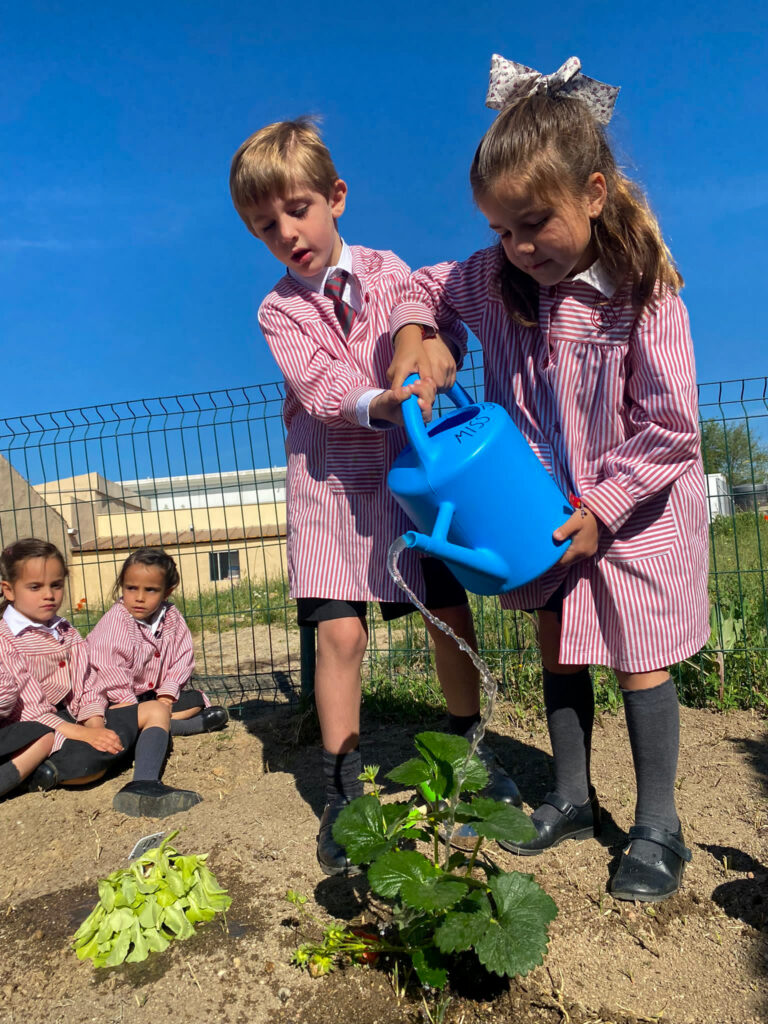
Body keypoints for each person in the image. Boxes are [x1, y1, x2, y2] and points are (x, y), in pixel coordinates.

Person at [388, 56, 709, 902]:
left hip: (633, 512)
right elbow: (422, 287)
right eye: (500, 230)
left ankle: (658, 824)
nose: (517, 247)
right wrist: (422, 331)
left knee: (639, 656)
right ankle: (570, 796)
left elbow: (672, 425)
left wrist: (604, 506)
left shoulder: (644, 293)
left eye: (533, 223)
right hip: (538, 506)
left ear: (594, 193)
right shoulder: (497, 282)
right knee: (558, 641)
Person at [229, 117, 520, 875]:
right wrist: (382, 400)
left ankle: (466, 748)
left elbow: (429, 320)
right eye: (266, 226)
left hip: (418, 484)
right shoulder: (279, 311)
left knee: (446, 610)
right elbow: (323, 388)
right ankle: (341, 787)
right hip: (332, 489)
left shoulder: (391, 269)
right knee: (341, 636)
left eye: (298, 209)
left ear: (337, 197)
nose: (287, 232)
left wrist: (435, 353)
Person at [86, 547, 227, 817]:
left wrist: (167, 695)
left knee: (193, 699)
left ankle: (163, 723)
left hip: (149, 698)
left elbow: (182, 658)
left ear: (167, 591)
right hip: (112, 702)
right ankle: (150, 772)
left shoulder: (171, 618)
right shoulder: (117, 621)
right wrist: (131, 704)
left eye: (150, 590)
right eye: (131, 588)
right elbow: (107, 668)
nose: (139, 598)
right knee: (155, 712)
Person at [0, 538, 137, 795]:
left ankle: (52, 768)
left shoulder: (65, 630)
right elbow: (30, 710)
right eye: (35, 587)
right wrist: (82, 735)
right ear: (8, 590)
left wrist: (95, 726)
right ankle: (39, 772)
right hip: (25, 728)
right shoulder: (5, 639)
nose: (49, 595)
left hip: (66, 717)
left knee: (127, 719)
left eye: (56, 585)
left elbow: (86, 685)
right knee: (86, 760)